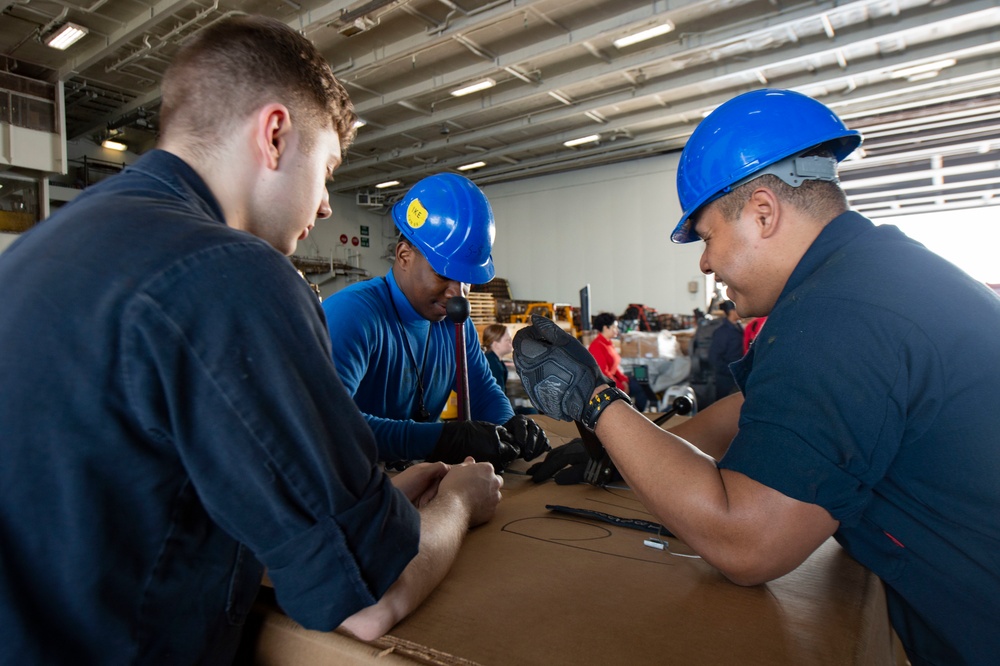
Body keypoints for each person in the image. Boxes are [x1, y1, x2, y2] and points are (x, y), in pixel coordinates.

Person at [0, 17, 503, 664]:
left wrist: (371, 504)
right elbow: (368, 602)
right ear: (274, 136)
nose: (325, 207)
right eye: (326, 170)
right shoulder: (233, 273)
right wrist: (458, 503)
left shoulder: (41, 249)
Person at [512, 88, 1000, 665]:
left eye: (708, 235)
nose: (705, 263)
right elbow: (752, 413)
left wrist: (595, 404)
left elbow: (748, 544)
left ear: (763, 212)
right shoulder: (870, 276)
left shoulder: (839, 314)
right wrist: (619, 450)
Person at [321, 173, 548, 469]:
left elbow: (480, 388)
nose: (458, 295)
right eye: (443, 274)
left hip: (416, 477)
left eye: (467, 280)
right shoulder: (353, 315)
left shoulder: (453, 322)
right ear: (404, 256)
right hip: (350, 482)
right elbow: (329, 423)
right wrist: (442, 439)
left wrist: (508, 425)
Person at [588, 312, 648, 411]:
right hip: (606, 385)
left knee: (642, 383)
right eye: (614, 327)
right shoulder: (597, 346)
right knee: (640, 388)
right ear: (605, 328)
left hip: (614, 380)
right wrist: (620, 386)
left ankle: (639, 413)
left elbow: (614, 367)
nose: (617, 330)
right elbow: (604, 373)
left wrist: (624, 380)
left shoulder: (608, 343)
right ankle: (637, 415)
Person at [708, 300, 743, 402]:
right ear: (732, 311)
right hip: (725, 378)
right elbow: (713, 357)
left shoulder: (738, 327)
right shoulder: (722, 332)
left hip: (736, 375)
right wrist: (729, 370)